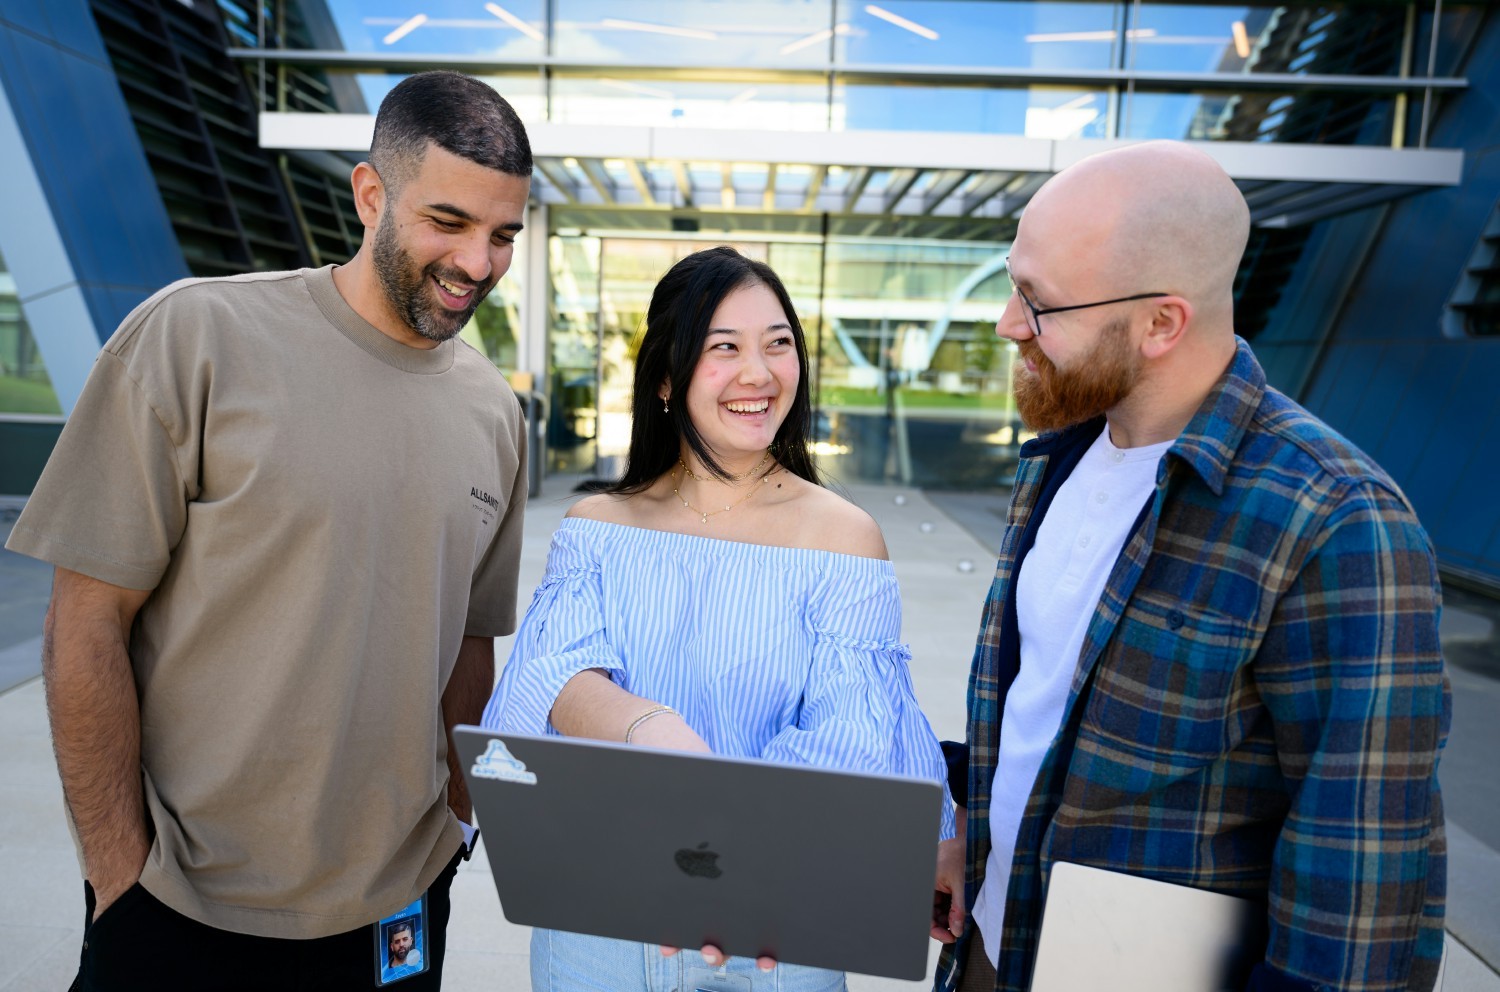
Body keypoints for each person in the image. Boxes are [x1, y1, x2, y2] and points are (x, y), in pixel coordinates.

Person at [5, 70, 532, 990]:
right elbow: (84, 622)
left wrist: (456, 827)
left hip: (397, 914)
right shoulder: (194, 338)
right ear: (371, 194)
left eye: (503, 236)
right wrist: (118, 878)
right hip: (181, 909)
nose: (478, 264)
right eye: (448, 223)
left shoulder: (494, 412)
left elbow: (471, 646)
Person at [930, 140, 1450, 992]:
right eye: (1013, 285)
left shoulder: (1335, 519)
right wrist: (962, 824)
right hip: (990, 953)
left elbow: (1363, 878)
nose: (1007, 324)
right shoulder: (1059, 458)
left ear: (1162, 322)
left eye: (1038, 302)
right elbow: (1037, 723)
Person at [481, 245, 955, 991]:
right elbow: (551, 676)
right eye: (723, 348)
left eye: (778, 345)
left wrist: (727, 878)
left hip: (775, 920)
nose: (758, 374)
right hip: (602, 919)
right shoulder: (597, 523)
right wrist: (646, 726)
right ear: (666, 377)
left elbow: (852, 738)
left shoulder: (842, 534)